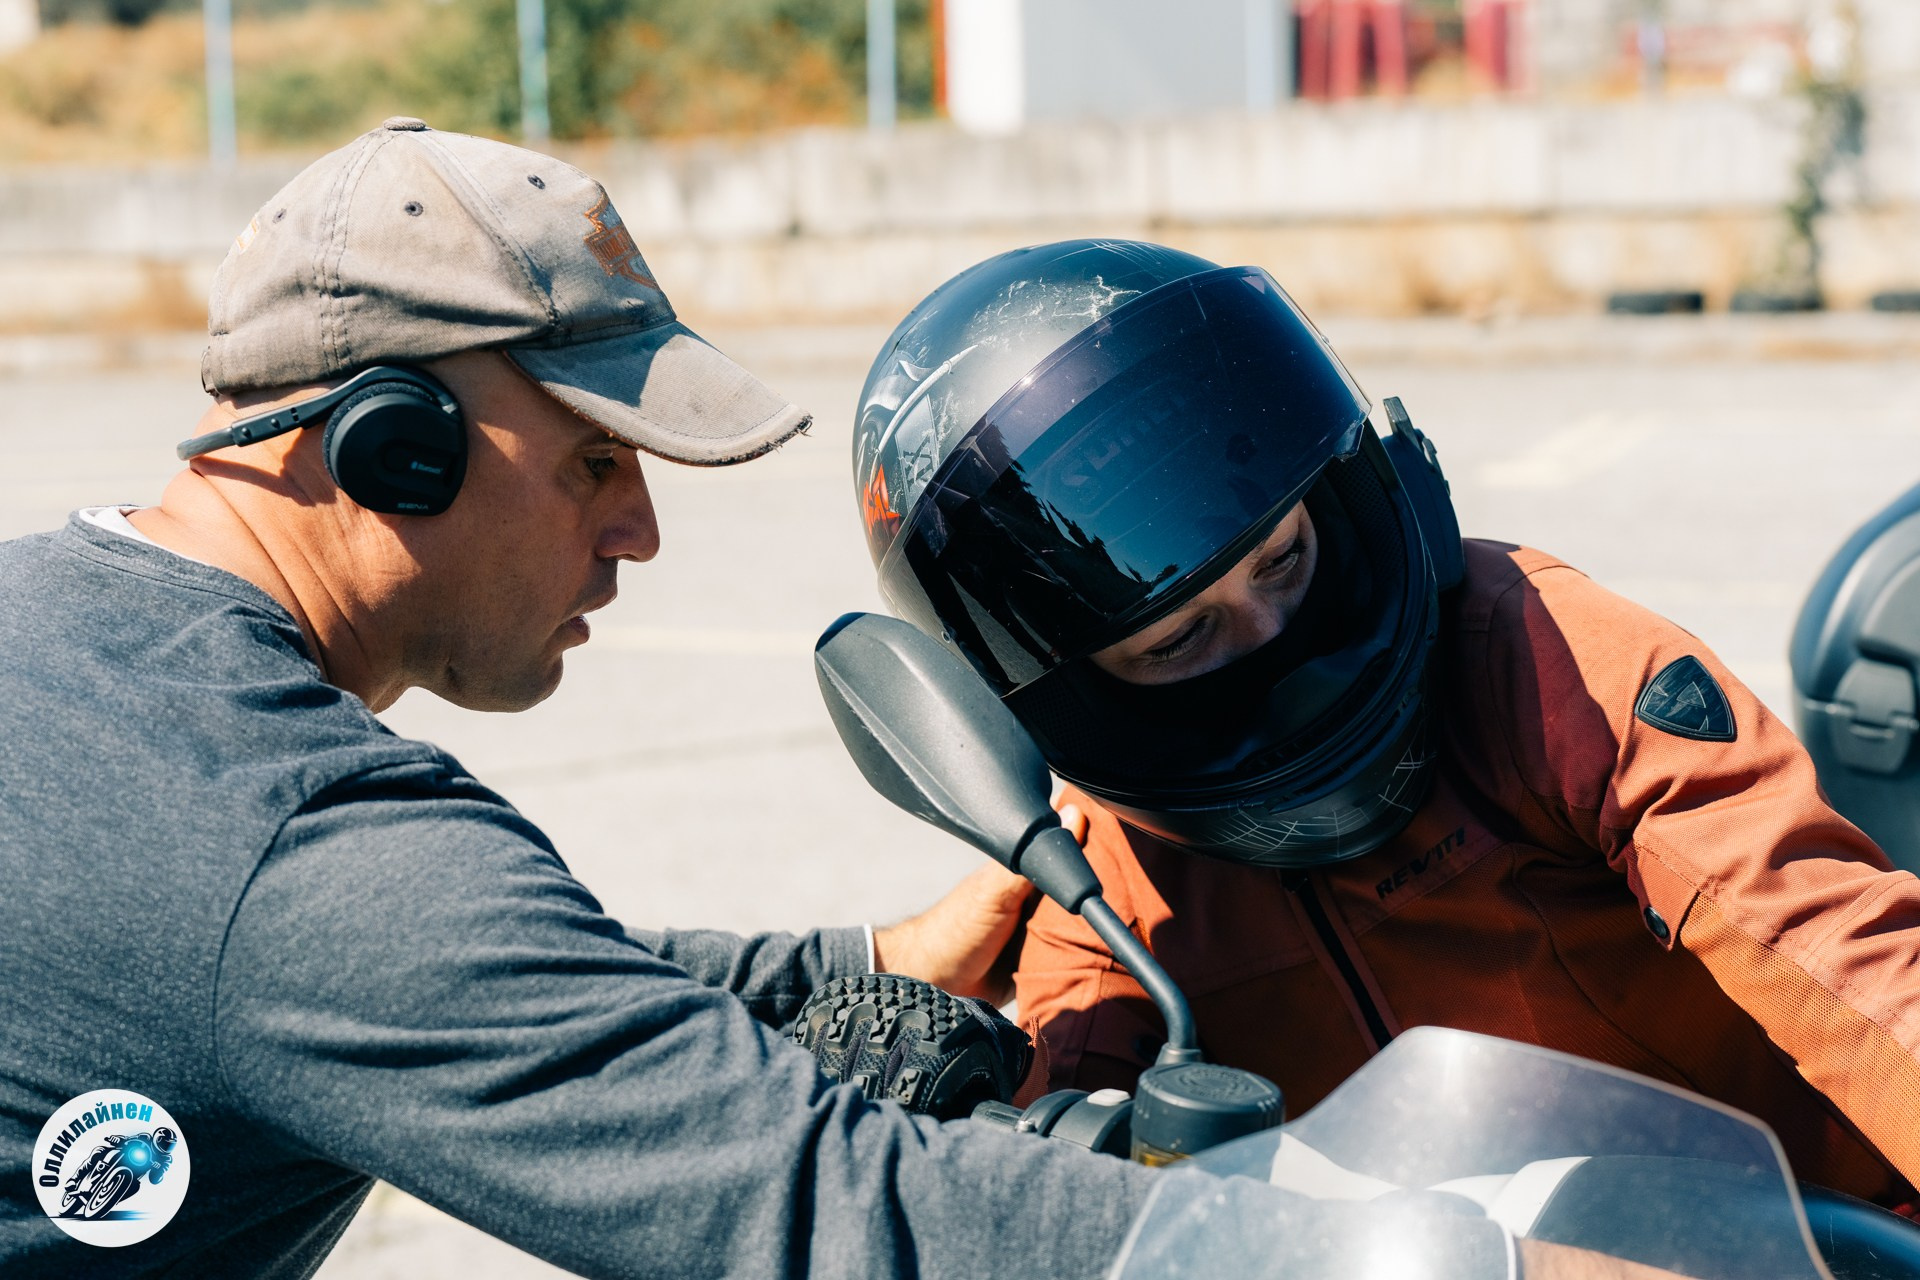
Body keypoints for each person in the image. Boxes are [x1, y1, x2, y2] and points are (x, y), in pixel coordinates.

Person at [850, 238, 1920, 1213]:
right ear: (1075, 691)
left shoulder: (1537, 653)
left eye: (1285, 559)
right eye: (1179, 638)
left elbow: (1835, 947)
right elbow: (1067, 1177)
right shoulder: (1109, 885)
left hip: (1821, 1242)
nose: (1278, 640)